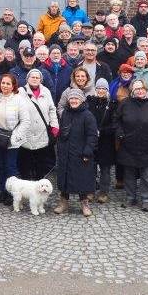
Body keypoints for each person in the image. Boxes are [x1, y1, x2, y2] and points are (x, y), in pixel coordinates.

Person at [0, 74, 32, 205]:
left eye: (8, 84)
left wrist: (15, 137)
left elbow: (26, 121)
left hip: (12, 139)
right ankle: (3, 192)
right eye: (3, 83)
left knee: (10, 167)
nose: (5, 85)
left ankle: (12, 194)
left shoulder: (19, 100)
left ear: (13, 86)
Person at [114, 79, 148, 212]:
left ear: (146, 89)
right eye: (136, 89)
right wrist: (120, 133)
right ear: (132, 91)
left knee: (147, 175)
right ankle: (131, 197)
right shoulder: (124, 104)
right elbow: (116, 120)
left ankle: (146, 199)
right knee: (129, 174)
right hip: (128, 144)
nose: (139, 91)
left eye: (141, 88)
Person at [54, 88, 99, 217]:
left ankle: (84, 204)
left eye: (76, 98)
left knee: (82, 179)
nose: (73, 101)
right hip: (66, 152)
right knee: (64, 178)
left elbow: (92, 136)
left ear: (81, 100)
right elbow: (62, 133)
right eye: (71, 98)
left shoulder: (88, 115)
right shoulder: (66, 114)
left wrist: (87, 152)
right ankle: (63, 202)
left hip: (81, 153)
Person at [19, 68, 59, 181]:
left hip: (42, 131)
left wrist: (55, 125)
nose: (35, 79)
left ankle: (39, 182)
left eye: (37, 77)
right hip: (26, 132)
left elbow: (52, 109)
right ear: (28, 79)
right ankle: (26, 184)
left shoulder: (46, 91)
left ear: (41, 80)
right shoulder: (20, 91)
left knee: (41, 161)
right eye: (32, 77)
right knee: (26, 162)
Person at [85, 79, 117, 203]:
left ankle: (103, 192)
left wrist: (102, 131)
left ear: (107, 90)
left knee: (105, 169)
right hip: (91, 140)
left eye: (104, 89)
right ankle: (90, 191)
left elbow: (114, 124)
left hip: (106, 141)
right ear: (95, 89)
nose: (101, 91)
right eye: (99, 88)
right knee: (90, 167)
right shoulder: (89, 102)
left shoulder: (112, 104)